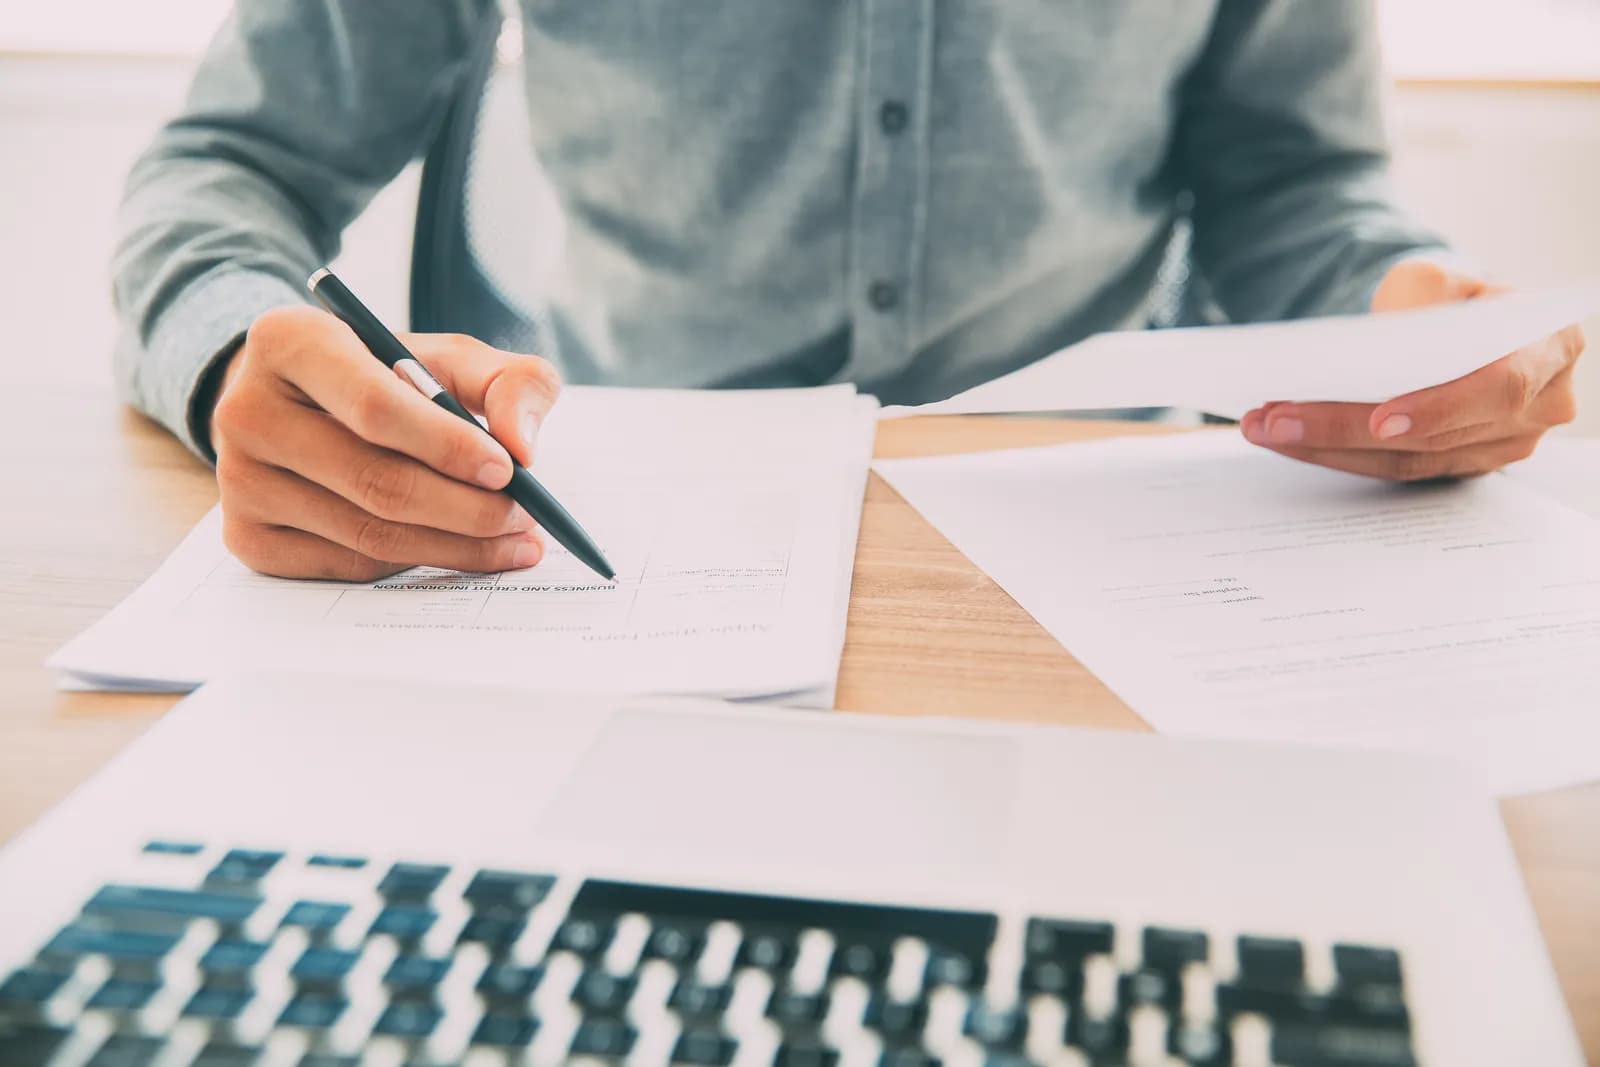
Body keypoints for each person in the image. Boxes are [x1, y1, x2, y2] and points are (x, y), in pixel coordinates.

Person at [112, 1, 1586, 581]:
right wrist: (238, 353)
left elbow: (1295, 183)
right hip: (627, 533)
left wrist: (1401, 312)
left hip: (1109, 540)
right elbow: (231, 164)